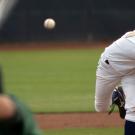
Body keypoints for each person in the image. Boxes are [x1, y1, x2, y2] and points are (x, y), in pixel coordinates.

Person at [95, 30, 135, 135]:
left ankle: (125, 100)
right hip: (109, 66)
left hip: (133, 69)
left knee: (134, 110)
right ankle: (119, 95)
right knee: (101, 107)